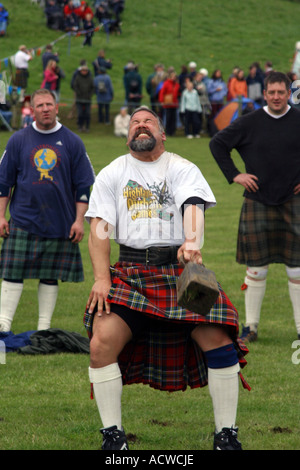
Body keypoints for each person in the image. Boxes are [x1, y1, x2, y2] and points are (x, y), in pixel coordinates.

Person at [83, 106, 249, 451]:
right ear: (128, 133)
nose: (140, 127)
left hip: (178, 270)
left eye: (148, 122)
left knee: (220, 337)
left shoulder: (181, 167)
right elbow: (98, 227)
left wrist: (191, 241)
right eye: (134, 123)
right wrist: (102, 277)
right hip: (130, 272)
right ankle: (113, 437)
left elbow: (193, 204)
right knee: (101, 343)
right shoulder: (113, 173)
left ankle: (226, 436)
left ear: (162, 133)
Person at [209, 71, 300, 343]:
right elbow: (218, 144)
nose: (275, 97)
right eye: (271, 92)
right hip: (258, 199)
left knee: (297, 269)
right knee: (256, 268)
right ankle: (251, 327)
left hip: (293, 200)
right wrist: (236, 174)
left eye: (280, 93)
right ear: (265, 94)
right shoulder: (249, 122)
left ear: (289, 93)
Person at [0, 89, 95, 333]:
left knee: (50, 275)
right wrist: (0, 216)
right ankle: (3, 323)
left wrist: (78, 220)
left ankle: (44, 327)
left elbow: (83, 185)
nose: (45, 109)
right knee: (12, 272)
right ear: (32, 110)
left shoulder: (72, 141)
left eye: (49, 104)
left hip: (60, 221)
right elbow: (4, 183)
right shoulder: (18, 140)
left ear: (57, 107)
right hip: (22, 219)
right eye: (40, 105)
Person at [73, 63, 94, 132]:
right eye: (83, 70)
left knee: (87, 113)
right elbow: (75, 86)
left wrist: (90, 95)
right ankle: (80, 126)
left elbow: (93, 88)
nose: (84, 72)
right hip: (79, 99)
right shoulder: (78, 78)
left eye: (85, 70)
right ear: (81, 71)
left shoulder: (90, 78)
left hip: (87, 99)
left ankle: (87, 127)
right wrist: (79, 93)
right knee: (80, 113)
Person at [158, 70, 180, 136]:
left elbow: (178, 93)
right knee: (168, 118)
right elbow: (162, 92)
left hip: (174, 104)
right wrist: (161, 101)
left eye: (174, 76)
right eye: (172, 76)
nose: (174, 78)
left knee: (174, 118)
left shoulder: (177, 84)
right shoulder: (166, 83)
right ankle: (168, 132)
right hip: (168, 104)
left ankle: (173, 132)